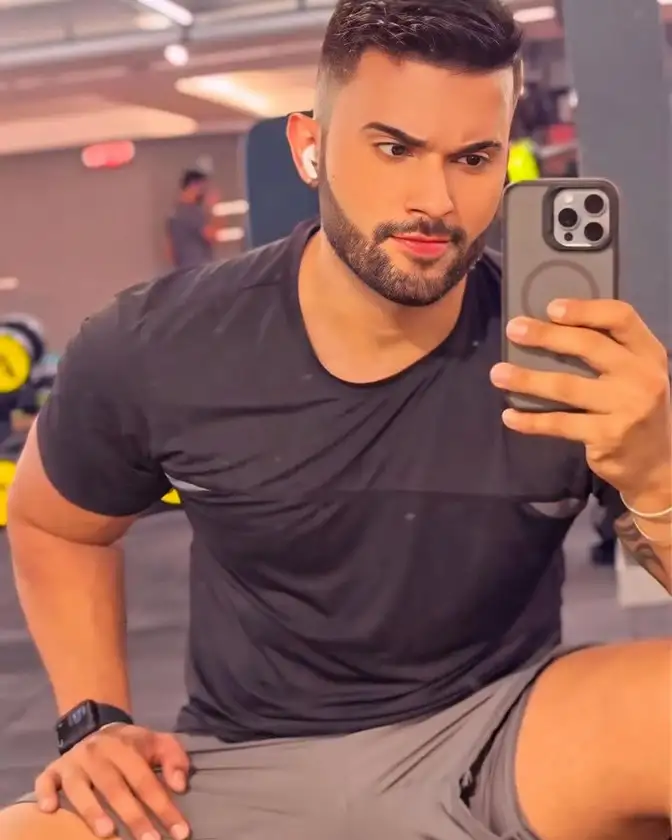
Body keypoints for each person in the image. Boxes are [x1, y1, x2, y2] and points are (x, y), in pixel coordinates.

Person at [1, 2, 670, 839]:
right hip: (244, 763)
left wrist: (658, 475)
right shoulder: (158, 341)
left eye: (473, 158)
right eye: (394, 148)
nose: (434, 200)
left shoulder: (570, 352)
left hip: (500, 736)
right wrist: (93, 719)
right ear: (309, 147)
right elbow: (54, 523)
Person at [166, 169, 219, 269]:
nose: (203, 193)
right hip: (201, 268)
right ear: (194, 186)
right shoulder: (193, 212)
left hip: (184, 270)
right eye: (202, 188)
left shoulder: (174, 213)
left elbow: (170, 251)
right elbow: (211, 236)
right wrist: (214, 208)